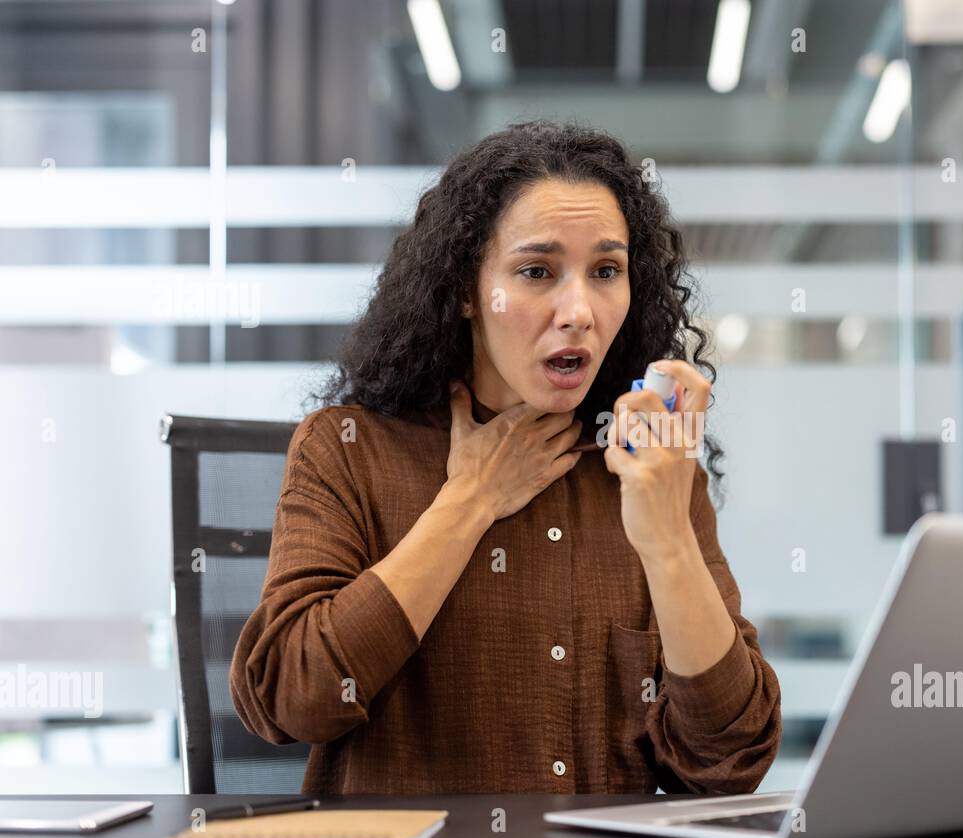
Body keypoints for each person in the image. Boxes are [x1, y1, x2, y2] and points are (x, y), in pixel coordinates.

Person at [229, 119, 781, 795]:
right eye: (536, 271)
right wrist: (469, 502)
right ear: (466, 289)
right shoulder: (349, 450)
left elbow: (729, 761)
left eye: (606, 270)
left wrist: (667, 538)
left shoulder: (651, 475)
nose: (579, 308)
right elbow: (291, 696)